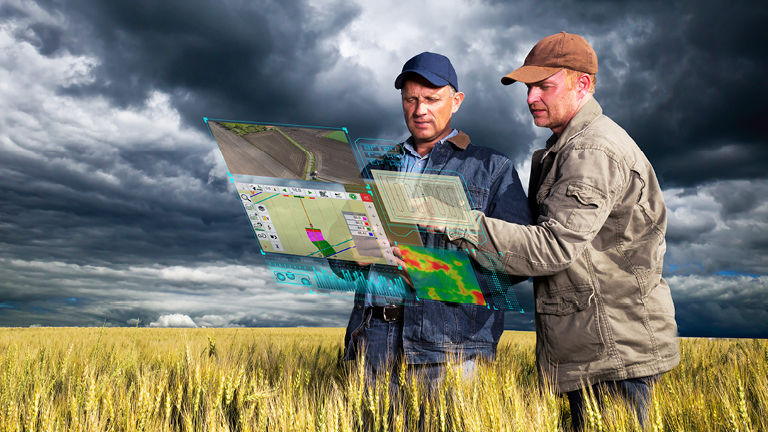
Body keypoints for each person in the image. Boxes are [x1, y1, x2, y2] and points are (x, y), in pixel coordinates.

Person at [444, 32, 679, 429]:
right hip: (598, 346)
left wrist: (462, 224)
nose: (531, 97)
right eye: (528, 87)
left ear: (582, 84)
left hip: (612, 353)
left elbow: (553, 248)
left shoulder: (591, 151)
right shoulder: (569, 147)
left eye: (544, 86)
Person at [342, 52, 531, 384]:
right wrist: (348, 253)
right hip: (370, 341)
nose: (419, 110)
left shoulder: (492, 168)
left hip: (448, 350)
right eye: (410, 99)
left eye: (431, 99)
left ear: (456, 101)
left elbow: (519, 262)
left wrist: (435, 276)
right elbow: (343, 260)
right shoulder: (376, 169)